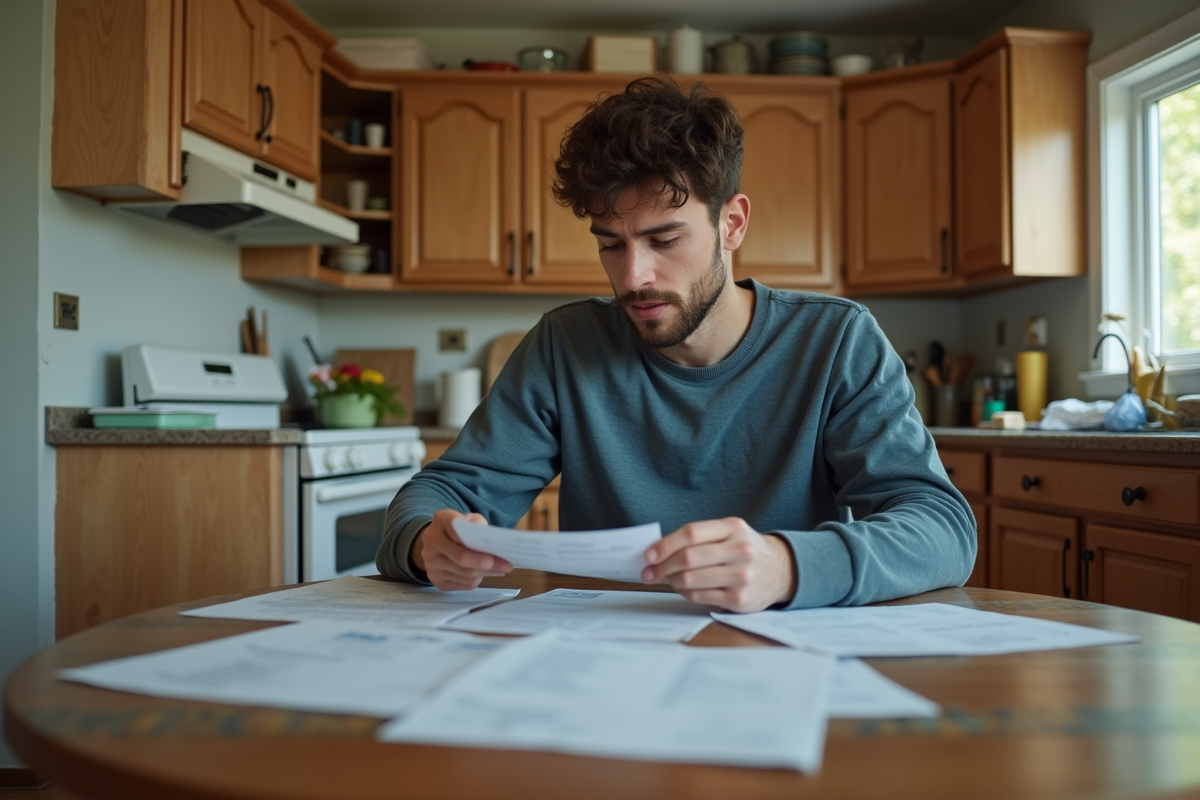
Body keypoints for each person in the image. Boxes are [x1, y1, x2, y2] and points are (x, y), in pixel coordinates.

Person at [377, 77, 975, 612]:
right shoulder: (566, 344)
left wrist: (787, 567)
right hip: (600, 656)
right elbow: (439, 494)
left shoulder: (836, 340)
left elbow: (942, 528)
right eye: (610, 243)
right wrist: (426, 541)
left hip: (785, 658)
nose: (633, 276)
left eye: (664, 238)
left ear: (732, 224)